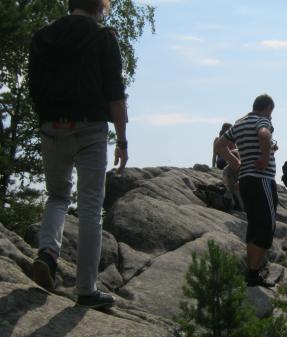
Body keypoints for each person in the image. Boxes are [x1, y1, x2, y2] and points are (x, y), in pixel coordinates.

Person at [28, 0, 128, 308]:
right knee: (89, 208)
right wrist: (122, 140)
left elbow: (34, 86)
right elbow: (115, 94)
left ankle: (48, 253)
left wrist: (48, 120)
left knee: (57, 196)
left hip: (51, 128)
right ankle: (86, 290)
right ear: (100, 7)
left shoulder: (43, 36)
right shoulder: (103, 38)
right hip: (90, 130)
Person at [215, 94, 277, 287]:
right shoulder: (262, 120)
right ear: (267, 108)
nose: (271, 116)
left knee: (254, 225)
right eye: (271, 113)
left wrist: (235, 162)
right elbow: (264, 134)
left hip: (246, 181)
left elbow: (219, 145)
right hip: (262, 179)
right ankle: (254, 273)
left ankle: (251, 274)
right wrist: (266, 157)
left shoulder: (239, 123)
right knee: (267, 226)